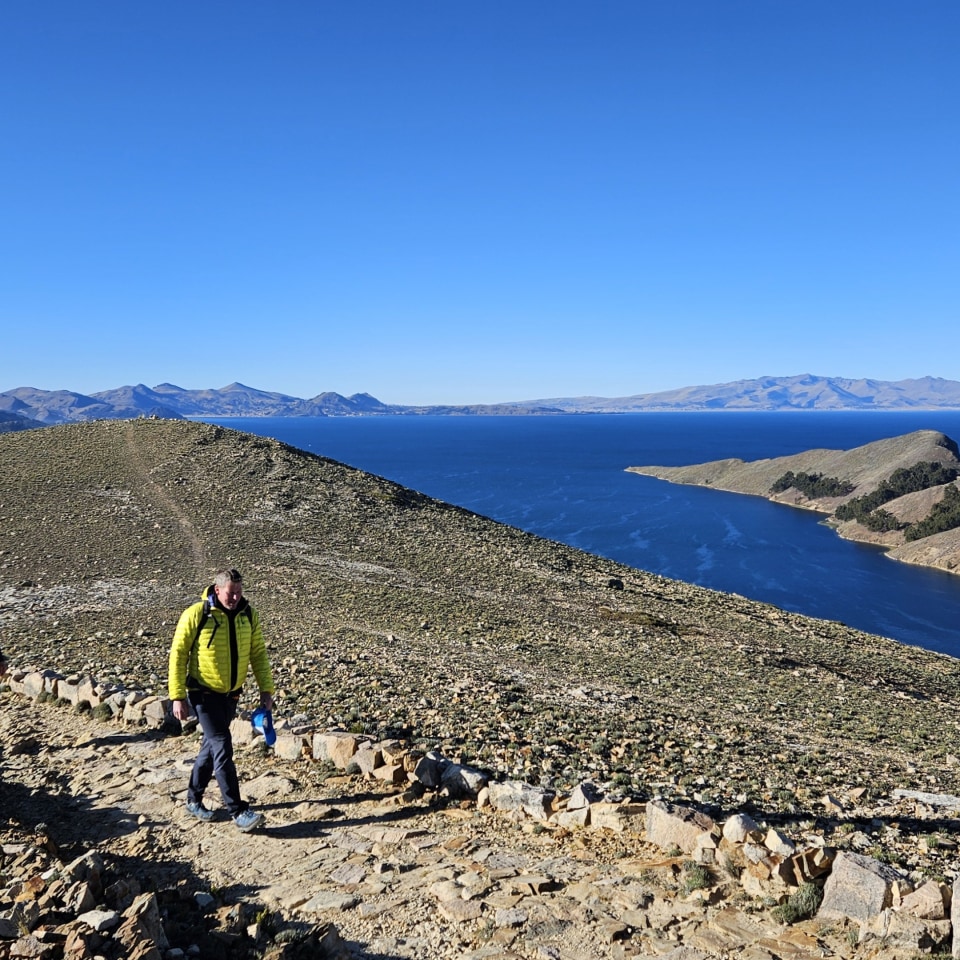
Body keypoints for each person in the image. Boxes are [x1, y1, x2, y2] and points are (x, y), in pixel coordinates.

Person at [168, 568, 275, 832]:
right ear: (217, 590)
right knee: (222, 745)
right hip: (203, 694)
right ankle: (238, 811)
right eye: (230, 592)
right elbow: (178, 654)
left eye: (239, 592)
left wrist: (266, 690)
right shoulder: (197, 614)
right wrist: (177, 696)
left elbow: (258, 653)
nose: (235, 597)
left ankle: (193, 800)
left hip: (231, 696)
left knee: (210, 748)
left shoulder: (248, 615)